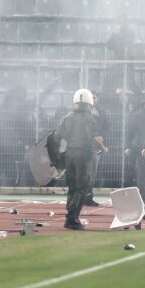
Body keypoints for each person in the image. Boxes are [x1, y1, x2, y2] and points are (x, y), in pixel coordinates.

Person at [52, 89, 108, 230]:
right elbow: (93, 137)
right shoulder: (89, 118)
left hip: (70, 154)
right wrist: (103, 147)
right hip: (83, 155)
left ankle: (70, 215)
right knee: (82, 187)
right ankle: (73, 218)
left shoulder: (67, 117)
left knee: (72, 187)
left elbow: (57, 136)